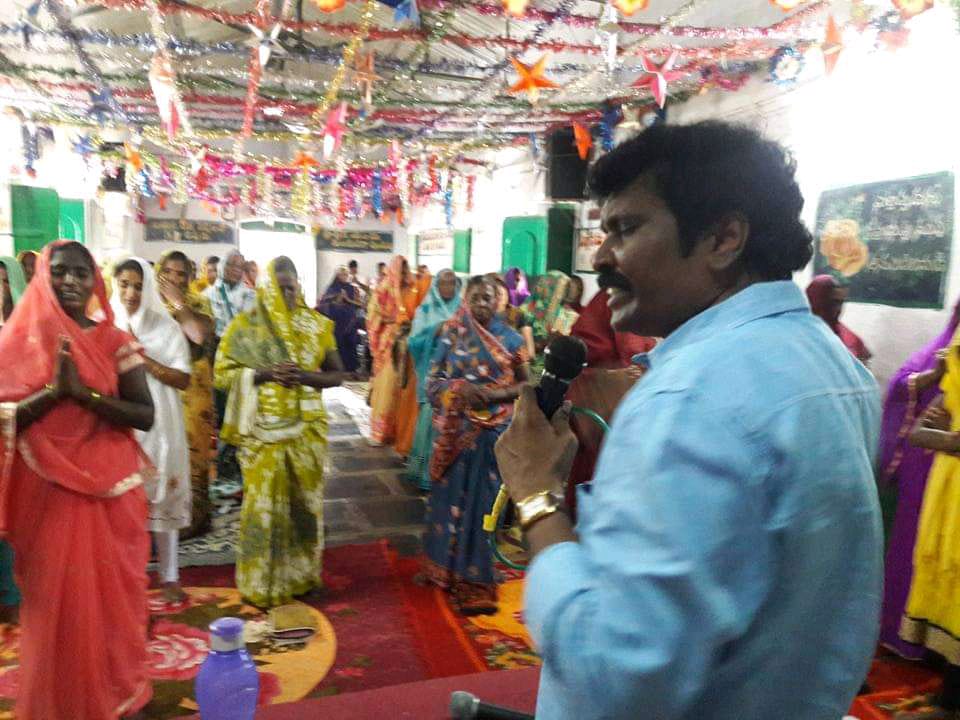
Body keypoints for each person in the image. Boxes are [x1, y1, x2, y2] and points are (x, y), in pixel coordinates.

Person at [494, 121, 882, 719]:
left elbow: (613, 675)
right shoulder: (836, 366)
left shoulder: (689, 397)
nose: (600, 257)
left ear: (722, 238)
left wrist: (537, 498)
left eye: (626, 228)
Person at [0, 241, 155, 719]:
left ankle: (115, 693)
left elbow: (144, 414)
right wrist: (53, 393)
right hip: (48, 493)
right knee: (57, 605)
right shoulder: (20, 341)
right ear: (41, 277)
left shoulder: (114, 341)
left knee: (112, 601)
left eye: (81, 273)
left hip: (110, 491)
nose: (70, 281)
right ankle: (64, 702)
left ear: (94, 282)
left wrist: (85, 396)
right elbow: (6, 418)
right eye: (60, 271)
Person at [214, 257, 357, 607]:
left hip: (307, 431)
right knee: (262, 510)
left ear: (299, 286)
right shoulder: (246, 327)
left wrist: (304, 377)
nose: (285, 295)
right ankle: (260, 585)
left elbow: (338, 375)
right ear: (265, 289)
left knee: (304, 506)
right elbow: (221, 375)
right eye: (278, 289)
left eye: (290, 288)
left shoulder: (316, 324)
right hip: (263, 434)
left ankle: (301, 576)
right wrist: (265, 374)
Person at [423, 275, 528, 614]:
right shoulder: (451, 335)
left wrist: (495, 395)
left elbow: (528, 386)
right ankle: (442, 570)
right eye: (477, 297)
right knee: (449, 498)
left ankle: (477, 580)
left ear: (498, 301)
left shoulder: (511, 339)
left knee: (484, 504)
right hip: (457, 431)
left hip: (494, 433)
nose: (482, 303)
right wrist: (458, 390)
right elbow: (431, 385)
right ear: (466, 299)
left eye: (488, 297)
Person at [877, 302, 959, 660]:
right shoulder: (943, 359)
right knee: (927, 554)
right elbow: (916, 424)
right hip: (933, 478)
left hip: (945, 475)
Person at [113, 257, 192, 602]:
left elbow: (183, 378)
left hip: (160, 421)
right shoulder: (106, 323)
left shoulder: (166, 327)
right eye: (124, 284)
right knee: (123, 502)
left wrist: (141, 357)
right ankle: (127, 579)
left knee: (163, 495)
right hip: (120, 421)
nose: (131, 293)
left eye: (138, 285)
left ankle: (170, 577)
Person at [901, 325, 960, 711]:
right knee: (947, 581)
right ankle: (949, 698)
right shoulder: (954, 370)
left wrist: (948, 438)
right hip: (948, 491)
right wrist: (950, 439)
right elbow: (919, 432)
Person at [157, 250, 216, 538]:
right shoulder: (148, 303)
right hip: (158, 386)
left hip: (194, 390)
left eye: (182, 274)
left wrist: (178, 303)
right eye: (168, 272)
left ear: (190, 277)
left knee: (194, 452)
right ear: (159, 273)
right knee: (161, 450)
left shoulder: (198, 303)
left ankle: (196, 516)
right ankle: (163, 515)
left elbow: (197, 334)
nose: (175, 279)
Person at [406, 269, 462, 491]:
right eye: (444, 284)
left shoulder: (462, 309)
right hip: (432, 373)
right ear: (436, 286)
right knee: (430, 422)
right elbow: (413, 342)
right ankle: (425, 473)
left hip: (456, 373)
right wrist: (435, 331)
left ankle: (448, 473)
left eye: (452, 283)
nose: (448, 288)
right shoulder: (425, 310)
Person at [205, 250, 256, 487]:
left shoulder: (250, 295)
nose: (235, 270)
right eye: (230, 265)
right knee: (221, 409)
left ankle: (238, 461)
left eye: (239, 266)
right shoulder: (208, 295)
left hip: (241, 358)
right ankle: (225, 464)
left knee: (240, 409)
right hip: (216, 358)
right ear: (222, 267)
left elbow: (251, 328)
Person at [367, 256, 423, 451]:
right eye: (402, 269)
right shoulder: (384, 288)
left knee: (403, 386)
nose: (405, 273)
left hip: (407, 341)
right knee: (387, 384)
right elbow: (373, 314)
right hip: (388, 343)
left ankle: (399, 431)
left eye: (406, 268)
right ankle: (381, 431)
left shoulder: (412, 288)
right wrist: (393, 319)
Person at [0, 256, 27, 622]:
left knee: (11, 513)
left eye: (5, 281)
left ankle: (11, 594)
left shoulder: (26, 332)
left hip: (17, 433)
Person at [806, 274, 871, 364]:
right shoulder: (798, 338)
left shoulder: (851, 339)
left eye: (841, 303)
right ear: (815, 300)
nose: (838, 309)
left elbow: (864, 369)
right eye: (832, 302)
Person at [524, 270, 574, 376]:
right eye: (558, 288)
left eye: (564, 289)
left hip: (555, 368)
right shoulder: (528, 310)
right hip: (528, 366)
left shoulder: (566, 315)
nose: (560, 294)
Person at [317, 266, 364, 372]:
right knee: (337, 344)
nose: (345, 276)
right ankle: (337, 369)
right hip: (336, 323)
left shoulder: (352, 288)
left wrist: (347, 299)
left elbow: (360, 304)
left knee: (350, 345)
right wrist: (334, 300)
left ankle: (350, 369)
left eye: (346, 274)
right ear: (337, 275)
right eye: (342, 274)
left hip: (349, 322)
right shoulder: (331, 288)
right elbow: (323, 303)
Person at [490, 273, 536, 359]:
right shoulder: (484, 316)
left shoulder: (519, 314)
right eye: (494, 289)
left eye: (502, 286)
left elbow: (530, 353)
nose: (499, 293)